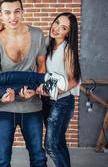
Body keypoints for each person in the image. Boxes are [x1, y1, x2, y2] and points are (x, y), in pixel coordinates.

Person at [0, 0, 48, 167]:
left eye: (16, 11)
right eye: (7, 13)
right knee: (2, 159)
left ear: (22, 11)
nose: (12, 17)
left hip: (33, 105)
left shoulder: (37, 35)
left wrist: (36, 90)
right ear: (1, 14)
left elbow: (41, 67)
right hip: (5, 107)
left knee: (38, 157)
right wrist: (1, 96)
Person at [37, 12, 81, 167]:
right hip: (46, 101)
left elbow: (74, 80)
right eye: (56, 23)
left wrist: (54, 91)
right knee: (59, 143)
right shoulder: (47, 43)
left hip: (62, 102)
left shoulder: (67, 49)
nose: (56, 28)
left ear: (68, 33)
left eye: (63, 28)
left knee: (51, 146)